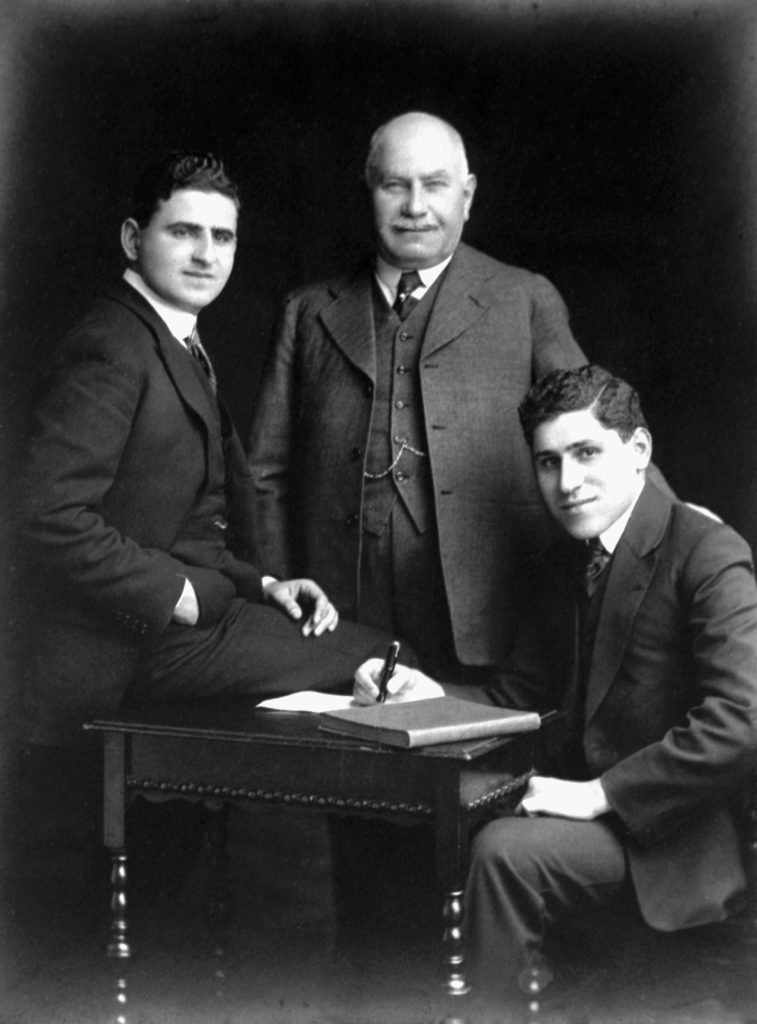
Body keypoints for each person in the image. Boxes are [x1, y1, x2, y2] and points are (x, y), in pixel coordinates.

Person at [14, 153, 394, 878]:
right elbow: (46, 515)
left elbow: (182, 520)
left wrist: (262, 587)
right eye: (183, 232)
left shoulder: (174, 341)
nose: (205, 254)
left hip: (186, 622)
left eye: (222, 238)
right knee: (375, 655)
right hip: (123, 648)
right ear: (133, 238)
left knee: (371, 652)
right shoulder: (113, 344)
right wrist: (174, 594)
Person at [353, 365, 757, 1000]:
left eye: (586, 453)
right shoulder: (565, 556)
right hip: (587, 824)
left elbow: (743, 720)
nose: (567, 483)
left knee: (503, 852)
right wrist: (428, 695)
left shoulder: (706, 550)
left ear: (640, 451)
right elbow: (521, 698)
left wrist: (599, 794)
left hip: (672, 844)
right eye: (548, 463)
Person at [247, 111, 587, 679]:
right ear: (368, 193)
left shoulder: (524, 300)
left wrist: (674, 525)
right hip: (335, 623)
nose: (414, 206)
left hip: (488, 627)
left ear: (468, 196)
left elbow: (594, 425)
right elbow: (264, 475)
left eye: (434, 185)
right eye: (394, 185)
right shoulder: (306, 311)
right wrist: (279, 592)